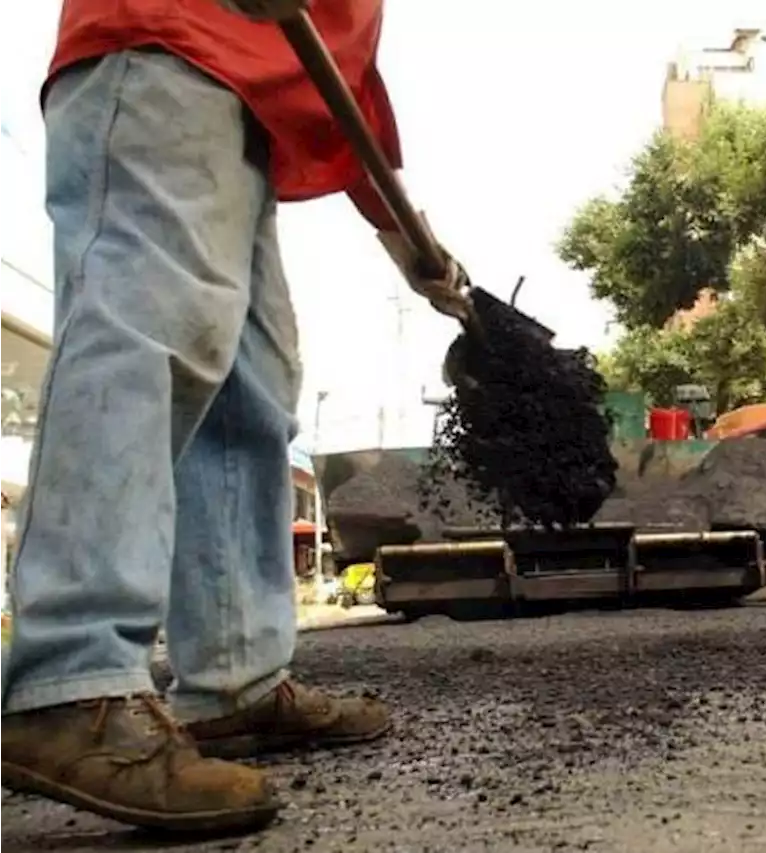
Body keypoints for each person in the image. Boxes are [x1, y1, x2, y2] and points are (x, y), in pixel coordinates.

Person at [0, 0, 459, 835]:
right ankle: (71, 680)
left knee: (250, 386)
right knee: (149, 330)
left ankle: (235, 679)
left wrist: (412, 244)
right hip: (161, 42)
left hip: (244, 105)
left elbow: (341, 85)